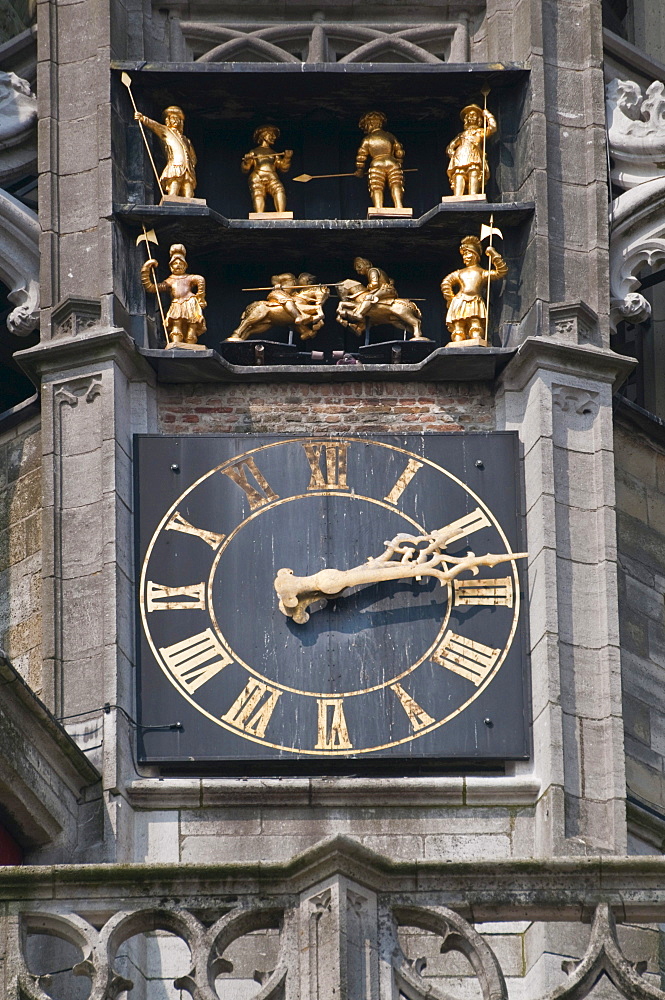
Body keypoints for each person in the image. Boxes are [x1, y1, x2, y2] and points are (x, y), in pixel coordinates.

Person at [440, 235, 508, 343]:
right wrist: (450, 299)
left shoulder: (482, 273)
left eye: (468, 253)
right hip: (460, 300)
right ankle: (458, 341)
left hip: (475, 300)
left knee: (475, 323)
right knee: (458, 324)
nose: (465, 257)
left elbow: (501, 271)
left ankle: (476, 340)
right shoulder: (459, 273)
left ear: (475, 255)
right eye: (464, 254)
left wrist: (493, 254)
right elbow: (446, 282)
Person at [141, 244, 206, 347]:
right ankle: (177, 344)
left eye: (180, 263)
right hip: (176, 304)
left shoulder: (189, 278)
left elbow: (200, 280)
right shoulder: (170, 281)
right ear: (171, 266)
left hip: (190, 302)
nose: (178, 265)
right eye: (175, 263)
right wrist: (146, 269)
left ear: (185, 265)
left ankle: (191, 345)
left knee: (192, 326)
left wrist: (200, 296)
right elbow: (152, 288)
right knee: (176, 326)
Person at [134, 105, 197, 199]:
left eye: (178, 119)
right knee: (174, 184)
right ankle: (172, 199)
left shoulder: (186, 140)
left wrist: (191, 164)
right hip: (176, 164)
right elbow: (156, 126)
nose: (175, 121)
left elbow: (193, 157)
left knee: (188, 189)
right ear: (168, 120)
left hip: (187, 167)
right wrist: (143, 118)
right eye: (173, 118)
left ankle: (190, 203)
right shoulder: (167, 131)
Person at [355, 111, 406, 210]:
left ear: (369, 124)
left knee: (376, 186)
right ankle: (399, 206)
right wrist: (399, 164)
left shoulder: (368, 139)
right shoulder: (390, 136)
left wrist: (360, 171)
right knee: (396, 184)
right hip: (392, 162)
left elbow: (361, 157)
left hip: (377, 163)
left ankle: (378, 207)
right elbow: (399, 151)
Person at [446, 103, 497, 198]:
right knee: (459, 174)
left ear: (478, 118)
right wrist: (451, 152)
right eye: (469, 116)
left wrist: (488, 115)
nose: (471, 118)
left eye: (473, 115)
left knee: (474, 172)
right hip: (460, 156)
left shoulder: (480, 132)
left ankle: (473, 195)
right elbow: (451, 146)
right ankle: (457, 196)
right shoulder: (461, 135)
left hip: (474, 154)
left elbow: (493, 128)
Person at [241, 125, 293, 213]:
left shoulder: (274, 153)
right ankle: (259, 214)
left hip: (272, 176)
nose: (274, 137)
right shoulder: (254, 151)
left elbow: (283, 168)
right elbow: (246, 169)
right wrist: (247, 161)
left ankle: (281, 214)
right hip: (257, 176)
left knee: (279, 190)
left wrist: (287, 158)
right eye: (271, 134)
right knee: (258, 194)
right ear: (263, 136)